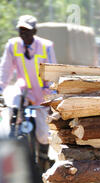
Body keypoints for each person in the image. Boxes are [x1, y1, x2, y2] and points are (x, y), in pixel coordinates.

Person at [0, 15, 57, 145]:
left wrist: (53, 98)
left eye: (27, 30)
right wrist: (0, 88)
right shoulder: (12, 45)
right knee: (13, 112)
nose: (23, 33)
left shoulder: (45, 46)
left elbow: (53, 73)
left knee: (43, 135)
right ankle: (13, 141)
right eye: (21, 29)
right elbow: (5, 69)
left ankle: (45, 157)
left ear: (34, 31)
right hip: (23, 90)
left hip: (42, 93)